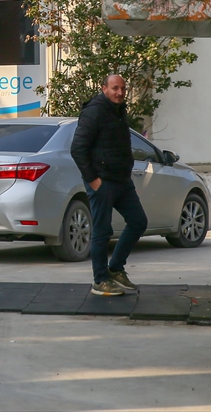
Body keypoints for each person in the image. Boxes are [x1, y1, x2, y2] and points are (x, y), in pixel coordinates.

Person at [69, 74, 148, 296]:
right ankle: (100, 280)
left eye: (123, 88)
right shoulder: (94, 111)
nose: (120, 93)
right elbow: (77, 148)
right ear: (104, 88)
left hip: (122, 180)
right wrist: (93, 180)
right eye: (115, 88)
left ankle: (115, 269)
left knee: (138, 222)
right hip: (102, 181)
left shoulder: (118, 110)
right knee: (102, 232)